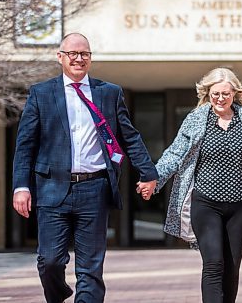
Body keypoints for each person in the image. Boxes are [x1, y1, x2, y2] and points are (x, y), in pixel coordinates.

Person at [12, 33, 158, 303]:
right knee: (50, 261)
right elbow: (25, 146)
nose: (79, 59)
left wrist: (148, 173)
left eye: (85, 54)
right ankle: (59, 294)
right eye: (73, 54)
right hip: (52, 188)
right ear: (60, 57)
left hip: (95, 187)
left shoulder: (109, 93)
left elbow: (129, 136)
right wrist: (21, 186)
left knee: (90, 269)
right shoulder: (41, 93)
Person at [138, 67, 242, 303]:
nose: (220, 99)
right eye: (215, 93)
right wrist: (153, 178)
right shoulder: (197, 119)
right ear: (207, 93)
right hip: (206, 203)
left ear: (234, 94)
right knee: (214, 262)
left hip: (241, 205)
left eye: (225, 94)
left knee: (232, 266)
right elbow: (175, 153)